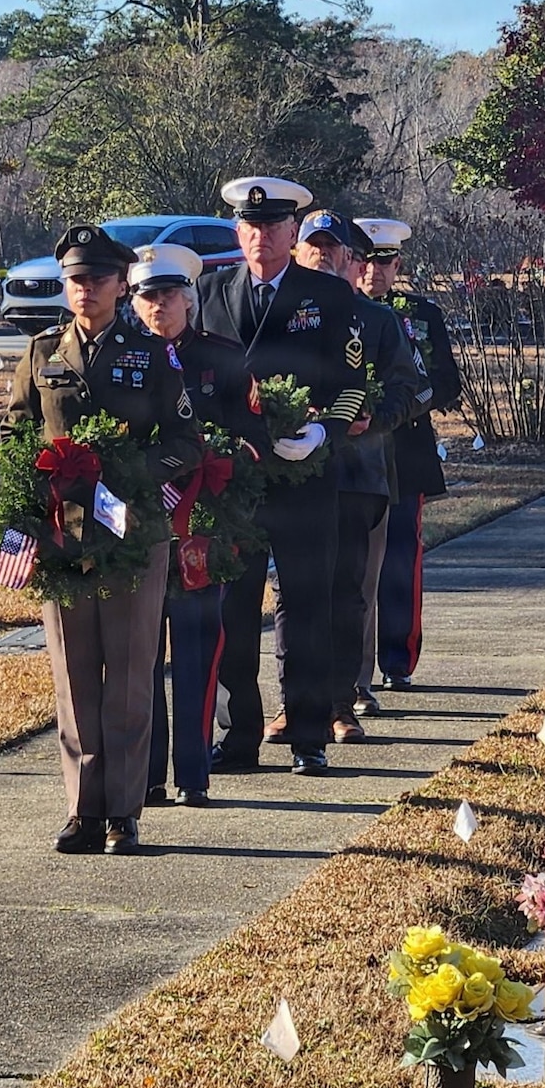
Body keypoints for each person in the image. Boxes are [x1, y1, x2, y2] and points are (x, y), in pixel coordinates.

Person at [2, 225, 202, 855]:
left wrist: (122, 476)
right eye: (74, 280)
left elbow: (183, 443)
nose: (84, 290)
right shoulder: (41, 353)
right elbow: (15, 435)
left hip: (132, 534)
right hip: (64, 539)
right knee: (74, 673)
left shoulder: (153, 354)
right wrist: (34, 495)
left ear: (121, 284)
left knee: (130, 674)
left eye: (96, 279)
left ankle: (124, 810)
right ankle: (82, 809)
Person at [198, 185, 367, 776]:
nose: (262, 236)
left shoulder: (325, 293)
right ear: (236, 231)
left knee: (306, 604)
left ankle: (308, 733)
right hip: (236, 482)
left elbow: (352, 381)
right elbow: (197, 378)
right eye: (251, 225)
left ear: (293, 233)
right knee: (235, 609)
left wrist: (326, 432)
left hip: (303, 476)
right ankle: (240, 735)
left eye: (274, 225)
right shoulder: (210, 291)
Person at [267, 220, 420, 744]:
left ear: (353, 261)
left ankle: (339, 703)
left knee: (346, 593)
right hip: (292, 471)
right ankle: (293, 704)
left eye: (335, 251)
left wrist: (373, 418)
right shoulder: (283, 310)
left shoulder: (376, 320)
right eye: (314, 248)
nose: (323, 258)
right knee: (292, 593)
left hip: (357, 473)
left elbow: (410, 388)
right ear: (298, 249)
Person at [129, 244, 267, 808]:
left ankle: (193, 774)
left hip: (204, 531)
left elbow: (254, 440)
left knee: (196, 649)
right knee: (141, 656)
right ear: (134, 304)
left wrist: (220, 481)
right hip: (140, 526)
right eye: (148, 297)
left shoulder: (224, 358)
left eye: (169, 295)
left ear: (189, 299)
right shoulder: (126, 361)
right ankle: (149, 776)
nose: (159, 306)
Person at [355, 219, 461, 692]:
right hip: (354, 451)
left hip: (406, 450)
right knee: (354, 563)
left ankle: (397, 659)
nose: (375, 272)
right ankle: (351, 669)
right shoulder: (339, 310)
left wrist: (405, 405)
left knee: (401, 558)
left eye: (385, 262)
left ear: (397, 265)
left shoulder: (421, 314)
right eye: (368, 261)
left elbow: (447, 384)